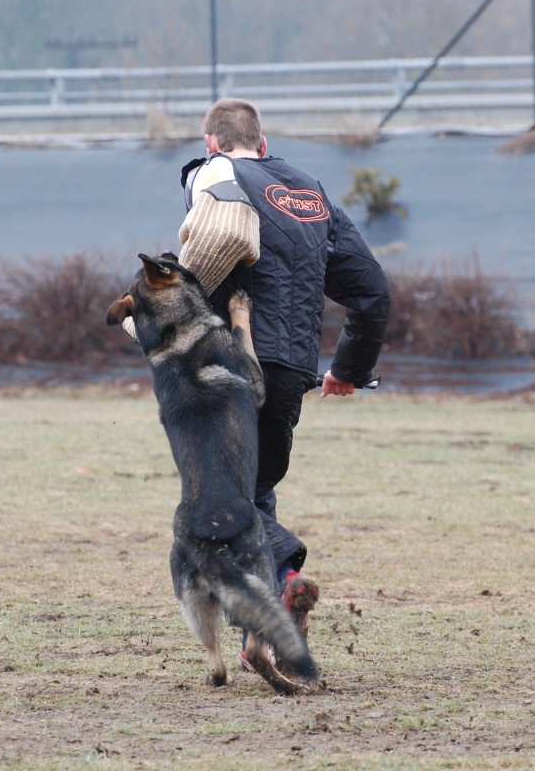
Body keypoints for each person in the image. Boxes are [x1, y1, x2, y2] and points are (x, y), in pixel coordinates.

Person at [149, 99, 390, 669]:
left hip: (231, 360)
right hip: (292, 369)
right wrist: (348, 370)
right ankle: (268, 624)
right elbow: (372, 290)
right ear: (262, 143)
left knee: (225, 499)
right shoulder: (311, 192)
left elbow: (213, 250)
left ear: (210, 142)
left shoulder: (214, 173)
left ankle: (285, 571)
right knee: (254, 491)